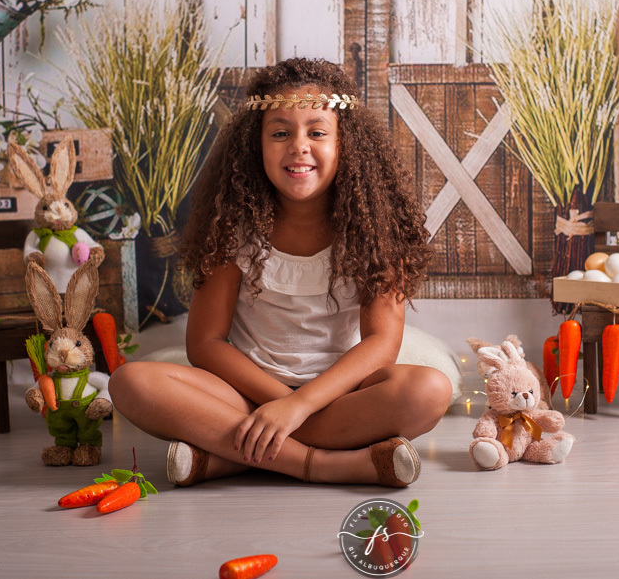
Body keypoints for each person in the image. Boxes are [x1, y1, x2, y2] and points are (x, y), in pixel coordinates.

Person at [109, 58, 452, 487]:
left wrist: (302, 404)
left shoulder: (376, 230)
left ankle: (230, 456)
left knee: (429, 391)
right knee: (131, 382)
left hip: (341, 397)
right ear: (257, 145)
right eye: (280, 132)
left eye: (317, 131)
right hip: (246, 395)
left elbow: (382, 342)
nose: (299, 146)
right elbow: (205, 343)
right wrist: (279, 402)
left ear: (346, 143)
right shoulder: (232, 226)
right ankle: (324, 465)